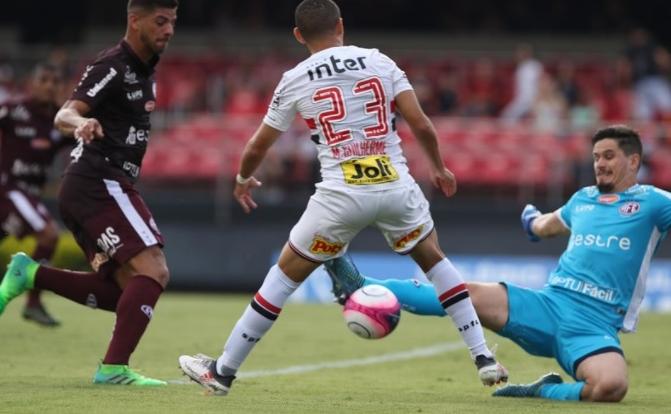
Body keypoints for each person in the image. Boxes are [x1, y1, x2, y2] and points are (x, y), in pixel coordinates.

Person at [178, 0, 507, 396]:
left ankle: (223, 371)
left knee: (281, 279)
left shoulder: (295, 78)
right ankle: (483, 357)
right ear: (341, 26)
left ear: (299, 35)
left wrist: (244, 178)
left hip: (341, 194)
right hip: (394, 184)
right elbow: (420, 122)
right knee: (436, 263)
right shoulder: (380, 61)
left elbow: (257, 144)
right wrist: (439, 167)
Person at [325, 124, 668, 402]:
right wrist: (531, 222)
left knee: (611, 388)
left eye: (609, 156)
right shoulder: (583, 199)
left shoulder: (653, 203)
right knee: (464, 293)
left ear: (634, 161)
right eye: (596, 157)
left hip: (594, 328)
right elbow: (546, 225)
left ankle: (541, 390)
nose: (600, 164)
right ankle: (361, 285)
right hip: (548, 305)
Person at [0, 0, 178, 386]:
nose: (168, 30)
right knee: (154, 269)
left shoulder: (146, 69)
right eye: (160, 21)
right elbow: (64, 113)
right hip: (99, 183)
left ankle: (30, 274)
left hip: (95, 187)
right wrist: (81, 122)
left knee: (124, 293)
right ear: (135, 20)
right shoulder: (113, 65)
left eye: (173, 23)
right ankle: (113, 368)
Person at [0, 63, 73, 326]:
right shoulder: (13, 110)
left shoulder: (59, 120)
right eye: (43, 80)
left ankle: (32, 302)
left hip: (28, 195)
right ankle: (32, 302)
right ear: (31, 84)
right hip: (9, 189)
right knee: (49, 234)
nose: (49, 85)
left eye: (55, 81)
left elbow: (86, 139)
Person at [500, 44, 543, 123]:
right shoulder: (520, 68)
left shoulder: (535, 66)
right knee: (506, 118)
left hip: (534, 99)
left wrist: (538, 99)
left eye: (522, 53)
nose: (519, 55)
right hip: (522, 100)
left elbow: (542, 82)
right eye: (518, 53)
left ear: (528, 53)